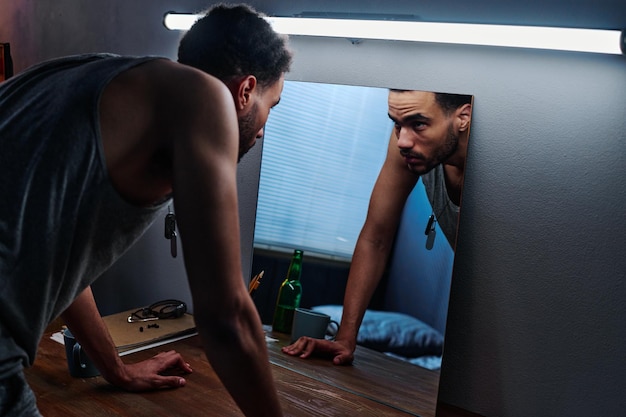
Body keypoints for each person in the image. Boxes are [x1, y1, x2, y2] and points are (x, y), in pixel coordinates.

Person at [0, 4, 291, 417]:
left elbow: (63, 263)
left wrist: (117, 370)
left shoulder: (95, 76)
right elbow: (226, 318)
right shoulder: (207, 99)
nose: (262, 129)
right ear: (244, 92)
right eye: (270, 106)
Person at [282, 89, 472, 365]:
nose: (403, 140)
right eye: (397, 124)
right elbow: (375, 238)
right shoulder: (408, 149)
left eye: (418, 124)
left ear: (463, 117)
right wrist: (345, 339)